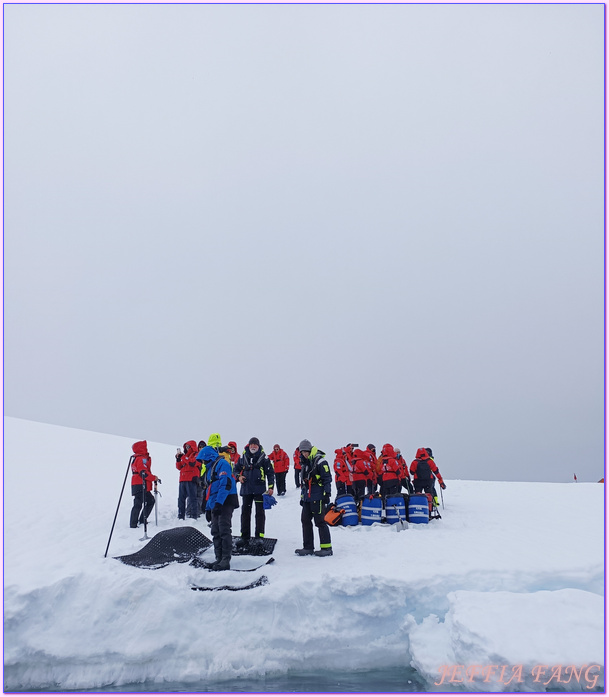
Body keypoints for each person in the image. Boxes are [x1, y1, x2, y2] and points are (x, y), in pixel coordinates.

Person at [197, 445, 239, 570]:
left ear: (208, 457)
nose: (203, 462)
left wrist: (219, 503)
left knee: (224, 529)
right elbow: (211, 491)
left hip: (226, 500)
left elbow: (225, 484)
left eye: (203, 460)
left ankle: (225, 560)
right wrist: (209, 509)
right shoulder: (210, 470)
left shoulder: (222, 464)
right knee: (215, 530)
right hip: (217, 502)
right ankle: (219, 559)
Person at [295, 439, 333, 557]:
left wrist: (327, 494)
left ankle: (326, 548)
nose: (304, 454)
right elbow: (304, 483)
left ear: (310, 450)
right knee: (305, 521)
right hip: (307, 497)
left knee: (320, 522)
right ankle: (308, 547)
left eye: (306, 451)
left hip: (318, 496)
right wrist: (302, 497)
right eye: (302, 452)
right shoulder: (304, 463)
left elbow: (327, 479)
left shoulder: (321, 461)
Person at [234, 437, 275, 542]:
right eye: (251, 444)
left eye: (255, 445)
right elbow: (235, 469)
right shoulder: (243, 457)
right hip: (246, 489)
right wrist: (239, 476)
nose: (253, 446)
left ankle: (259, 536)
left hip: (259, 490)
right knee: (245, 513)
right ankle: (244, 536)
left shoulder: (264, 458)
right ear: (248, 445)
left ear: (258, 446)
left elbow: (270, 473)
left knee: (260, 514)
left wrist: (271, 487)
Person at [129, 440, 159, 528]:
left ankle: (138, 521)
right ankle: (137, 522)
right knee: (145, 502)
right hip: (141, 483)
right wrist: (153, 478)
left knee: (141, 502)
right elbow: (143, 472)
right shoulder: (141, 459)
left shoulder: (136, 458)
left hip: (136, 483)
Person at [176, 440, 200, 520]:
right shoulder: (185, 456)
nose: (187, 448)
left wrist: (183, 457)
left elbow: (192, 463)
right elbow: (179, 467)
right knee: (181, 499)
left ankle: (194, 516)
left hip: (191, 478)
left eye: (188, 446)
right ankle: (181, 515)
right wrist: (178, 459)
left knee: (192, 498)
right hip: (183, 478)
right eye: (186, 446)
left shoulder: (196, 455)